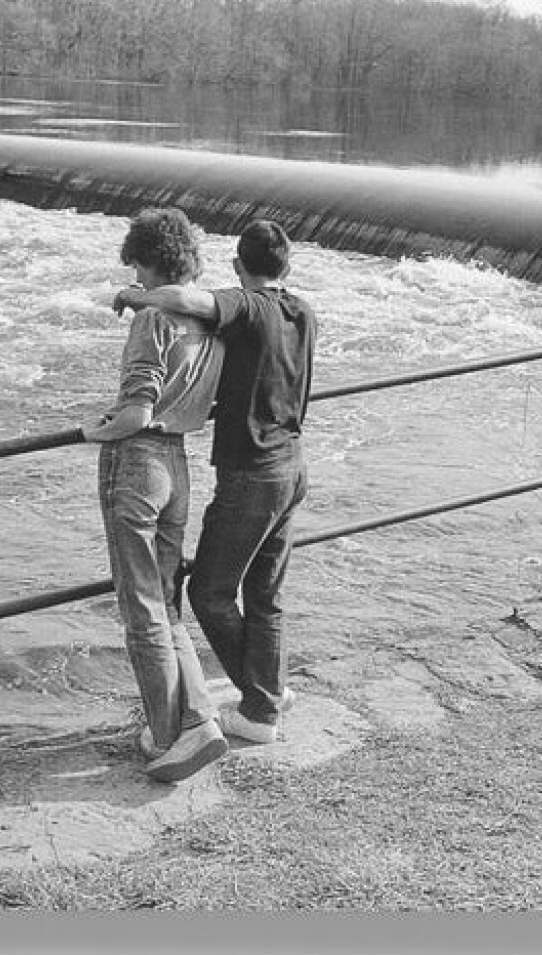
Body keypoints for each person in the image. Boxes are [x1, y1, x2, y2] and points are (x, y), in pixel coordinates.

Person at [114, 219, 316, 744]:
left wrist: (133, 296)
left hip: (253, 474)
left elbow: (189, 301)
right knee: (265, 593)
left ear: (236, 266)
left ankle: (260, 704)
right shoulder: (303, 312)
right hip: (293, 465)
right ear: (288, 267)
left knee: (209, 593)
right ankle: (270, 694)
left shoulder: (249, 307)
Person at [79, 207, 229, 783]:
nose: (135, 281)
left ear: (151, 262)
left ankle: (173, 737)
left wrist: (95, 430)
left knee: (141, 608)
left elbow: (137, 409)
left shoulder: (151, 319)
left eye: (137, 270)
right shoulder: (211, 319)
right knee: (166, 604)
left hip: (138, 461)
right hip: (179, 465)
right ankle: (198, 718)